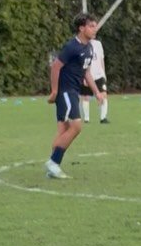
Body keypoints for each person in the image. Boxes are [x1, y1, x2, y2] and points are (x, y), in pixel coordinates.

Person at [45, 13, 105, 179]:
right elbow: (55, 67)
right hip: (66, 91)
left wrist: (97, 92)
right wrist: (55, 91)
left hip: (73, 91)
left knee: (63, 131)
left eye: (95, 26)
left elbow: (86, 72)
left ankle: (53, 165)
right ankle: (53, 162)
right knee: (77, 126)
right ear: (81, 28)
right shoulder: (72, 46)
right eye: (91, 26)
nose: (95, 29)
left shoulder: (89, 47)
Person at [80, 36, 109, 124]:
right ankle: (86, 118)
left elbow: (101, 59)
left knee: (103, 95)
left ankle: (103, 118)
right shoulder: (82, 45)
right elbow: (81, 62)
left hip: (99, 75)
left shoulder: (98, 44)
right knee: (86, 97)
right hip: (87, 75)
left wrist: (103, 74)